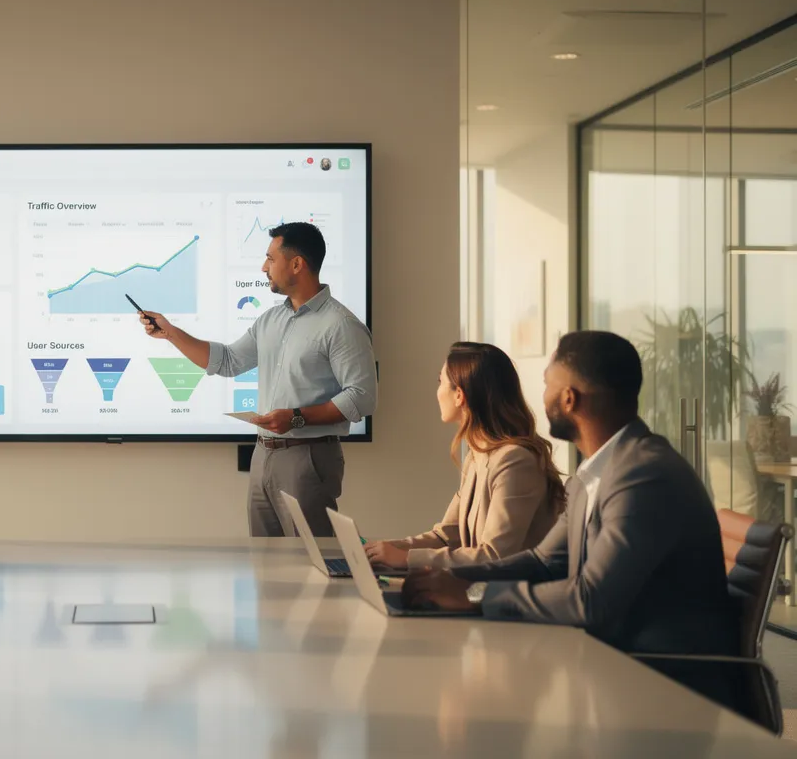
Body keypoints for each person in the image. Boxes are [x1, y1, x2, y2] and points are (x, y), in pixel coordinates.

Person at [402, 331, 738, 659]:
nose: (542, 394)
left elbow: (590, 599)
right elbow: (543, 562)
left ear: (569, 399)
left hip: (663, 677)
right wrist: (448, 579)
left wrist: (475, 595)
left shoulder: (643, 475)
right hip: (608, 656)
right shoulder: (592, 474)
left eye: (548, 384)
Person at [138, 222, 376, 536]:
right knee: (267, 566)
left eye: (270, 259)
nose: (264, 267)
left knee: (312, 564)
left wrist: (296, 418)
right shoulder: (271, 319)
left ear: (296, 264)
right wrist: (170, 332)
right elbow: (227, 361)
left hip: (308, 457)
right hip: (263, 455)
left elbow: (361, 396)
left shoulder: (340, 324)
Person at [363, 342, 564, 570]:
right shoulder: (478, 455)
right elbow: (447, 535)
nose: (437, 391)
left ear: (459, 395)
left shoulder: (515, 461)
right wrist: (385, 549)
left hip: (505, 599)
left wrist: (406, 559)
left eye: (441, 382)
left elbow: (496, 556)